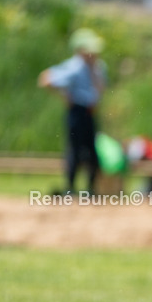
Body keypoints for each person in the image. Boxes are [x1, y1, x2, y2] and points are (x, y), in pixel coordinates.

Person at [38, 28, 108, 195]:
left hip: (90, 112)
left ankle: (91, 189)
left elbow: (101, 87)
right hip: (77, 111)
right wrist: (65, 96)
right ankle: (70, 188)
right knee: (75, 150)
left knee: (92, 150)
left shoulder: (98, 67)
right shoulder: (74, 67)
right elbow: (45, 79)